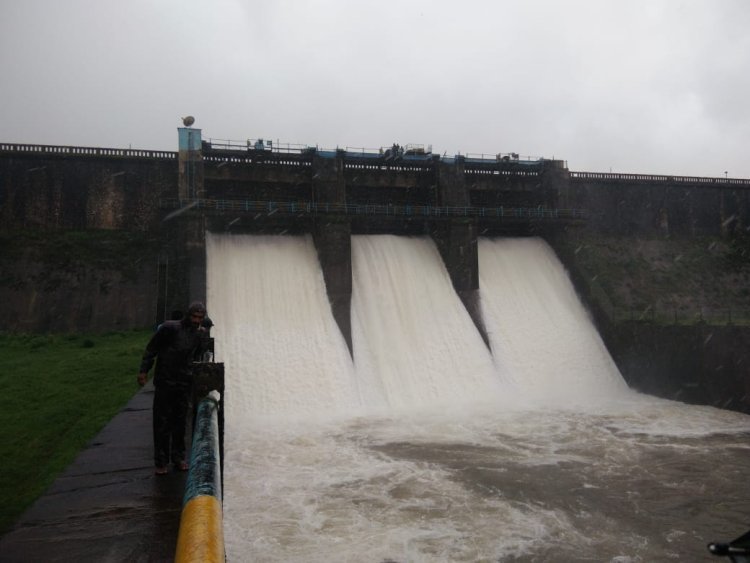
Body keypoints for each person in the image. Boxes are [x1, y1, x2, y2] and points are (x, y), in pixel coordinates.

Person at [137, 301, 208, 475]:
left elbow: (198, 358)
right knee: (162, 422)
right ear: (187, 315)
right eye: (194, 317)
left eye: (200, 318)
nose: (196, 320)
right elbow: (151, 349)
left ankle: (179, 458)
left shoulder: (199, 334)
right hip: (165, 381)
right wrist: (143, 371)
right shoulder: (170, 328)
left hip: (184, 382)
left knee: (180, 422)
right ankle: (161, 462)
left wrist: (198, 380)